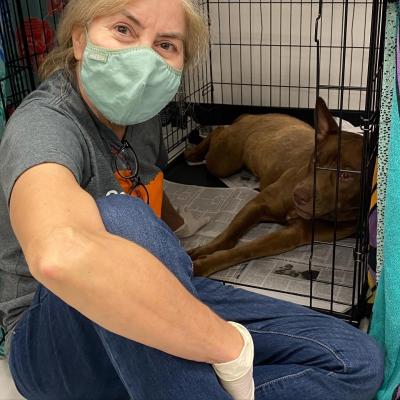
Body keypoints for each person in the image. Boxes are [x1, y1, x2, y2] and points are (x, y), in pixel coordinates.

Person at [0, 0, 384, 399]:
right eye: (123, 30)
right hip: (53, 337)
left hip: (164, 290)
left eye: (166, 45)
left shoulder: (142, 118)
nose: (143, 57)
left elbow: (148, 189)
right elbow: (59, 254)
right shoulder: (44, 125)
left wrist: (177, 232)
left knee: (357, 361)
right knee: (120, 220)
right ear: (79, 39)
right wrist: (224, 346)